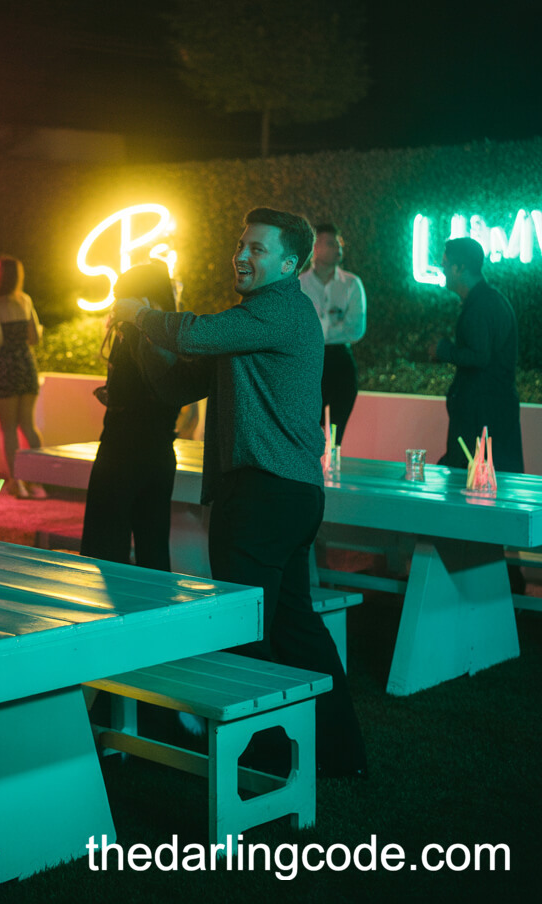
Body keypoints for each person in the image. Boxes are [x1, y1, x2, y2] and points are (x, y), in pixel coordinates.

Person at [114, 207, 366, 778]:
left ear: (290, 264)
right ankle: (337, 751)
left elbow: (195, 333)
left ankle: (264, 754)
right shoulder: (253, 321)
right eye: (242, 244)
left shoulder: (278, 310)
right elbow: (184, 380)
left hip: (265, 496)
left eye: (258, 249)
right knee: (294, 628)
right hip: (281, 495)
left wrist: (142, 314)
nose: (242, 255)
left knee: (246, 628)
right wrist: (136, 353)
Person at [80, 262, 181, 570]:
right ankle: (159, 617)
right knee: (154, 552)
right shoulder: (176, 332)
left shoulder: (135, 336)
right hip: (160, 451)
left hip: (121, 450)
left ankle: (112, 619)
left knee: (105, 555)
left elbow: (124, 393)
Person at [430, 236, 524, 472]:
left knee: (474, 482)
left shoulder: (480, 306)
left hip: (482, 416)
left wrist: (443, 350)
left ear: (460, 267)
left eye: (445, 264)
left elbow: (479, 357)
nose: (442, 271)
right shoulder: (490, 301)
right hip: (491, 414)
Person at [0, 256, 45, 498]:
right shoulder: (25, 300)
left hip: (6, 367)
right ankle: (39, 481)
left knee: (8, 429)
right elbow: (35, 338)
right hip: (26, 364)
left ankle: (18, 483)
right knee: (29, 425)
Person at [299, 222, 366, 443]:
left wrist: (318, 329)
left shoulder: (351, 283)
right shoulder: (299, 285)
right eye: (330, 243)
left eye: (339, 243)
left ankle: (331, 474)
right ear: (314, 248)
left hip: (340, 362)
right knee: (306, 431)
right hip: (309, 362)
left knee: (336, 436)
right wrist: (335, 327)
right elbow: (298, 329)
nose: (338, 248)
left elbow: (355, 330)